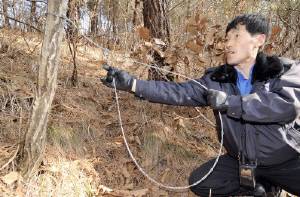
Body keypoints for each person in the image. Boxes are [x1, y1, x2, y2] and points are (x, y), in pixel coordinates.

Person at [101, 13, 300, 197]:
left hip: (286, 158)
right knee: (201, 182)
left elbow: (286, 105)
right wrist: (132, 84)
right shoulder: (216, 79)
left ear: (259, 40)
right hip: (241, 161)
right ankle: (259, 186)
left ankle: (269, 182)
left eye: (236, 36)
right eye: (226, 38)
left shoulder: (284, 70)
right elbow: (178, 92)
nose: (228, 43)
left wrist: (230, 102)